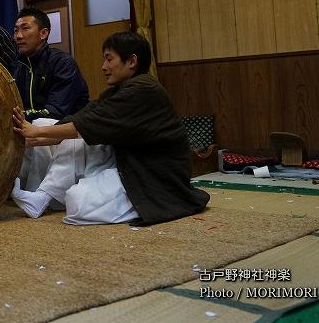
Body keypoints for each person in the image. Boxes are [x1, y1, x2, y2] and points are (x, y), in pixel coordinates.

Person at [11, 31, 210, 226]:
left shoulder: (144, 89)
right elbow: (82, 118)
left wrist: (36, 134)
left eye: (109, 59)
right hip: (124, 161)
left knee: (77, 202)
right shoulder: (118, 89)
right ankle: (42, 197)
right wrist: (29, 136)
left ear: (131, 61)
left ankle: (54, 196)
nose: (104, 66)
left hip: (151, 177)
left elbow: (87, 125)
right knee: (42, 123)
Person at [13, 7, 88, 121]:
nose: (18, 36)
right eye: (16, 30)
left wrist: (17, 116)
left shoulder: (63, 63)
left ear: (43, 33)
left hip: (68, 134)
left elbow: (56, 112)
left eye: (25, 29)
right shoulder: (18, 66)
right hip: (32, 132)